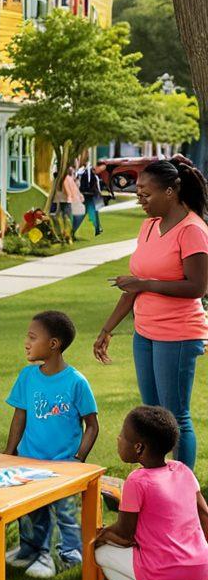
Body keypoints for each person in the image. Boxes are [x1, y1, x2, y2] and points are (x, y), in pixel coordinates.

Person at [95, 158, 208, 469]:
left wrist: (144, 283)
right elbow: (135, 284)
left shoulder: (193, 230)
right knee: (153, 413)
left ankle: (184, 489)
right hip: (145, 333)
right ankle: (158, 482)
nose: (140, 199)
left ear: (170, 192)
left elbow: (198, 287)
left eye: (145, 194)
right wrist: (107, 329)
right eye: (137, 193)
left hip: (178, 334)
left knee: (175, 415)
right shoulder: (148, 226)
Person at [94, 406, 208, 580]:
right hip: (200, 568)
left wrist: (103, 534)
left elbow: (125, 535)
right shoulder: (183, 470)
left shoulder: (137, 480)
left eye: (123, 436)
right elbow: (205, 516)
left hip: (167, 572)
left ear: (139, 447)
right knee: (165, 558)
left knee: (101, 554)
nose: (118, 439)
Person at [4, 311, 99, 578]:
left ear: (54, 344)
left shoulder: (76, 382)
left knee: (65, 514)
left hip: (63, 466)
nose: (26, 342)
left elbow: (92, 425)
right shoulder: (27, 376)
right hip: (29, 461)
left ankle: (67, 556)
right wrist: (11, 452)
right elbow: (19, 415)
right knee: (31, 511)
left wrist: (78, 460)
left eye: (32, 337)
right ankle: (32, 551)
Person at [54, 165, 85, 238]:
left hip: (67, 201)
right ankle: (68, 234)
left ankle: (68, 233)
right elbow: (68, 190)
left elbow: (73, 189)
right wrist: (72, 196)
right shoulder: (66, 178)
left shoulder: (66, 178)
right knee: (67, 217)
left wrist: (79, 195)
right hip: (67, 201)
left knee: (66, 217)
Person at [76, 160, 103, 237]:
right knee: (93, 212)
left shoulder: (81, 172)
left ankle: (74, 229)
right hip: (90, 196)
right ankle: (97, 229)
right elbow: (97, 187)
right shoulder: (90, 174)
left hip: (85, 195)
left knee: (83, 213)